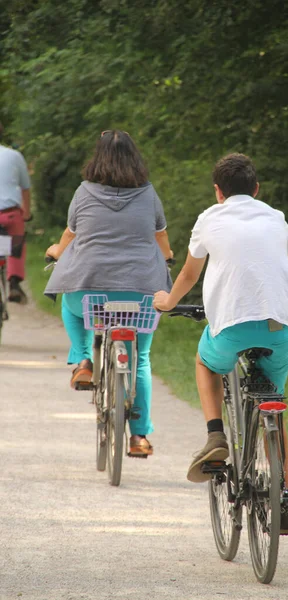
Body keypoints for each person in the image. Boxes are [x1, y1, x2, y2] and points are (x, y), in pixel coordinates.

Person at [153, 152, 288, 534]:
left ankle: (215, 434)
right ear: (256, 189)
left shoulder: (210, 218)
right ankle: (283, 498)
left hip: (231, 326)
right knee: (275, 401)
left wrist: (167, 302)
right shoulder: (276, 217)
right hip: (279, 326)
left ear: (218, 191)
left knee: (206, 363)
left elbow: (190, 272)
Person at [45, 129, 173, 457]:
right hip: (141, 292)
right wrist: (168, 258)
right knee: (140, 359)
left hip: (89, 290)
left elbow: (70, 234)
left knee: (70, 307)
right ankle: (139, 437)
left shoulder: (84, 192)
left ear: (97, 157)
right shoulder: (148, 194)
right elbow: (161, 239)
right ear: (135, 159)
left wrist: (56, 251)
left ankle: (83, 357)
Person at [0, 121, 31, 304]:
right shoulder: (14, 155)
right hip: (10, 214)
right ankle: (14, 283)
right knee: (16, 244)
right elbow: (25, 188)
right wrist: (26, 213)